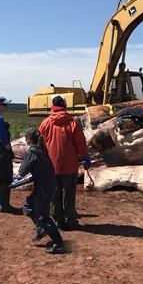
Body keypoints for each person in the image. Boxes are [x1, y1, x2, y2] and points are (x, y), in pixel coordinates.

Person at [39, 95, 89, 230]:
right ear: (65, 106)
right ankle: (71, 221)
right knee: (69, 195)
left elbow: (40, 144)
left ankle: (58, 221)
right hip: (69, 166)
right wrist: (85, 157)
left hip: (51, 166)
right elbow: (81, 143)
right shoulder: (73, 123)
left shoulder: (45, 123)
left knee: (54, 195)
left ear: (52, 107)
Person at [17, 128, 65, 254]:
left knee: (42, 215)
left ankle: (58, 243)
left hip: (44, 187)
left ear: (29, 139)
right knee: (28, 206)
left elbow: (22, 171)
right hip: (49, 184)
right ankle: (41, 229)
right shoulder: (42, 149)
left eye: (26, 138)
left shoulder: (32, 152)